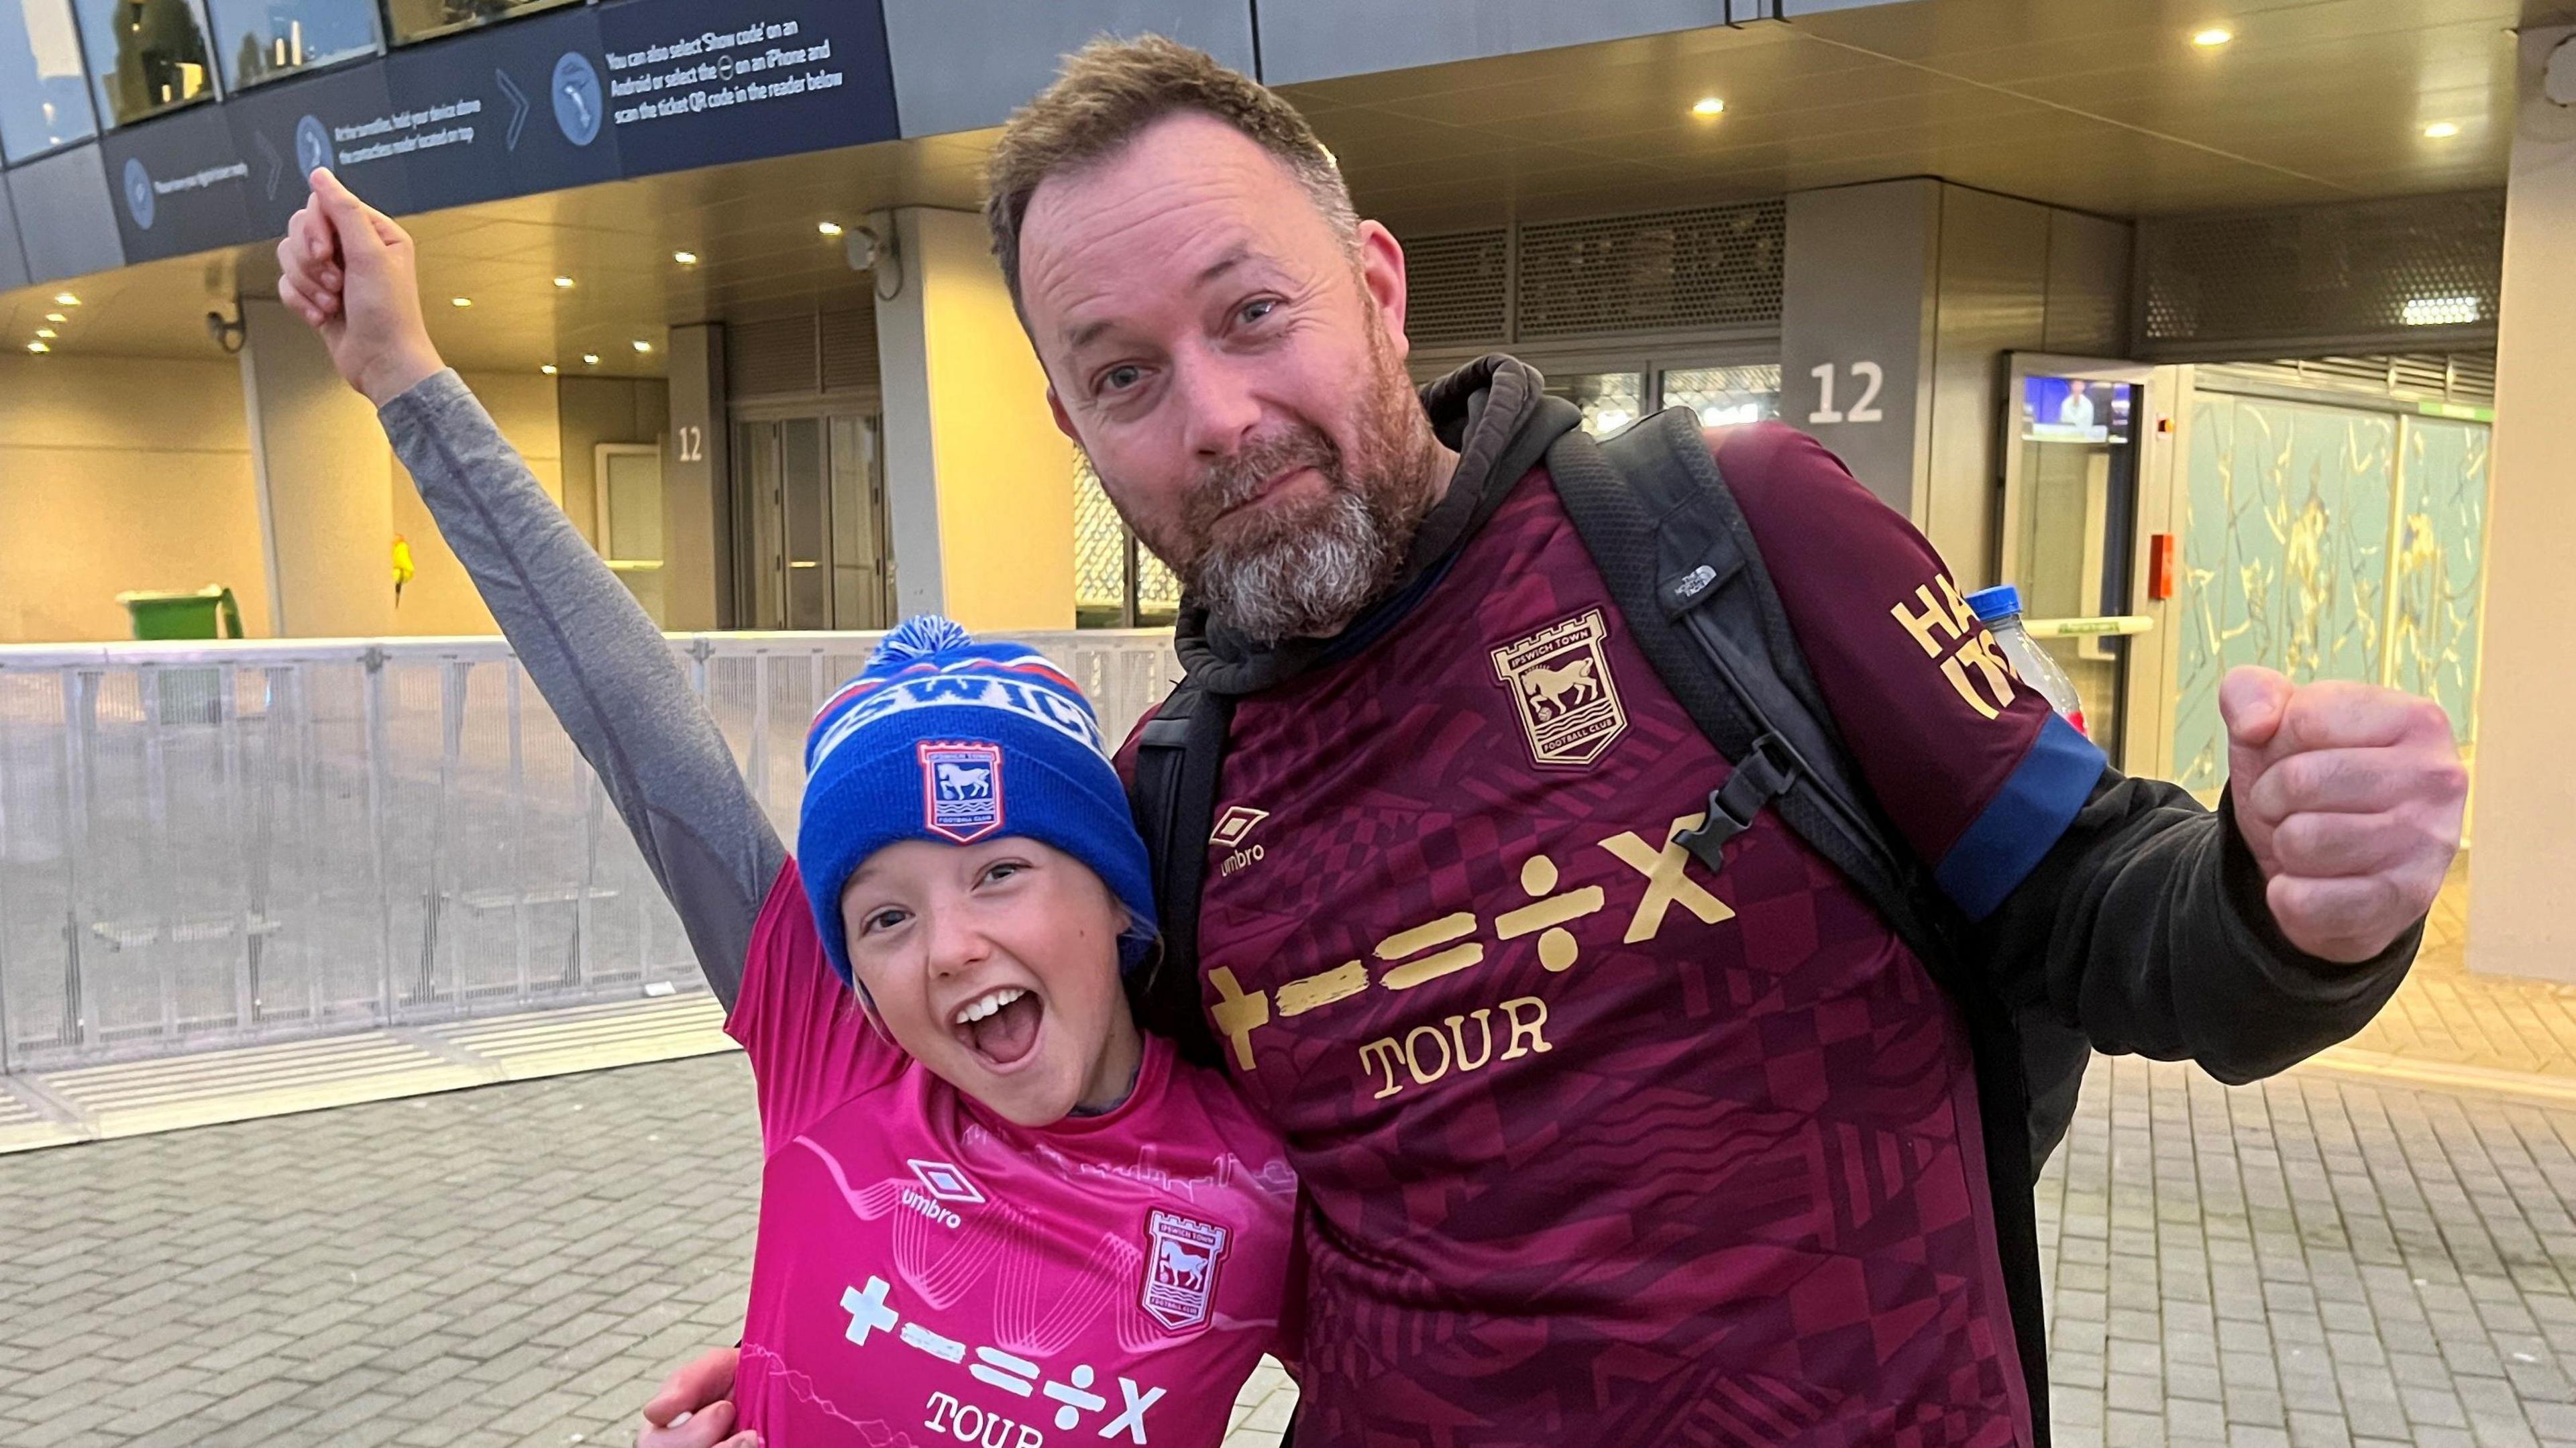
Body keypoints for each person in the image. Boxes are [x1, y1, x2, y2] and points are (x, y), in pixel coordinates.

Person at [641, 37, 2461, 1446]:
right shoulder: (1170, 820)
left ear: (1374, 281)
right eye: (1124, 375)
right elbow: (1081, 1172)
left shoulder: (1722, 536)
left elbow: (2098, 906)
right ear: (1071, 423)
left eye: (1251, 313)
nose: (1215, 415)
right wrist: (854, 1349)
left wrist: (2291, 897)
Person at [273, 169, 1298, 1448]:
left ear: (1113, 892)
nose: (953, 947)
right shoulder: (836, 1052)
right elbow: (633, 723)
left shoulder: (1260, 1176)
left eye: (998, 872)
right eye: (882, 919)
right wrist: (401, 371)